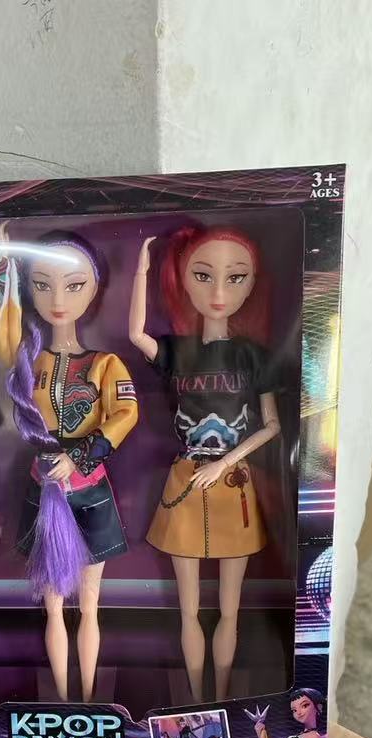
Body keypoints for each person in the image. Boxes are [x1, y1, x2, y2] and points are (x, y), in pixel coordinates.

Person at [0, 223, 138, 701]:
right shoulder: (26, 357)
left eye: (73, 285)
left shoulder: (105, 364)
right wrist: (0, 262)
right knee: (52, 606)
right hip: (43, 484)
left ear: (94, 290)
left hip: (89, 487)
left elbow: (126, 414)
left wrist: (79, 456)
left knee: (90, 604)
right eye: (42, 284)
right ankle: (66, 700)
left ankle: (89, 699)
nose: (57, 298)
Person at [129, 226, 281, 702]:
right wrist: (141, 271)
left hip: (233, 482)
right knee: (189, 609)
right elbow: (134, 334)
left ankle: (224, 697)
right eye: (202, 275)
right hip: (186, 481)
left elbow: (272, 426)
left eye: (235, 278)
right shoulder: (177, 351)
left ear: (252, 285)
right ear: (182, 282)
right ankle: (197, 702)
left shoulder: (252, 356)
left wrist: (226, 461)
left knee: (231, 609)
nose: (218, 291)